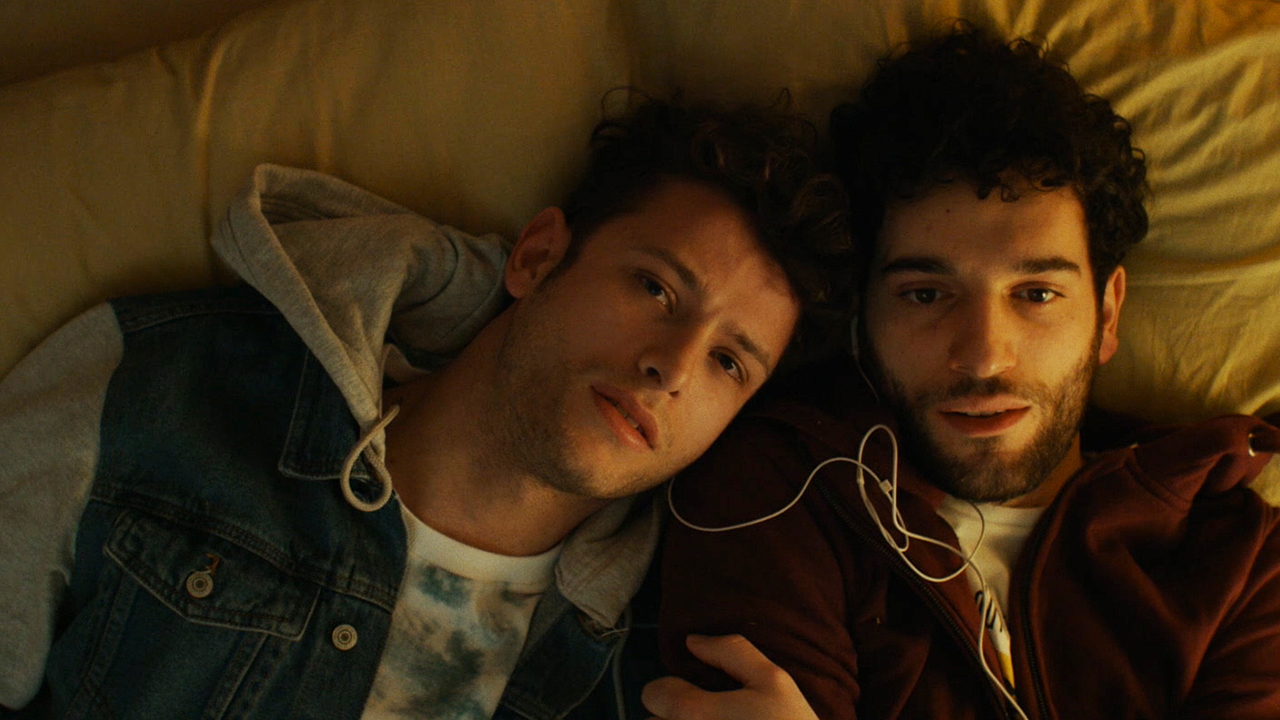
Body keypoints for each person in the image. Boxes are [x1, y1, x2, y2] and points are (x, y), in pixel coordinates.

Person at [0, 96, 854, 718]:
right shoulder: (162, 387)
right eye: (656, 288)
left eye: (729, 362)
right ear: (537, 256)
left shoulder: (669, 648)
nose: (672, 367)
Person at [650, 25, 1280, 720]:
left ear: (1107, 313)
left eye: (1036, 294)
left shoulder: (1243, 564)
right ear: (862, 316)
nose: (982, 355)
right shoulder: (779, 488)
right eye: (926, 294)